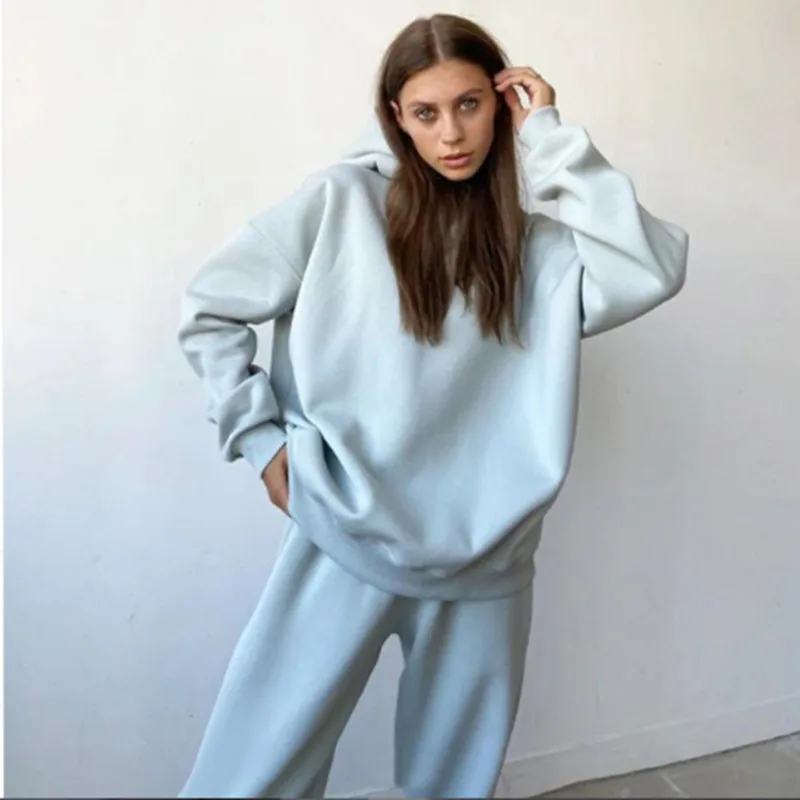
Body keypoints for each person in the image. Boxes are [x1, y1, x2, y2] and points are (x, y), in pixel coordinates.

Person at [176, 12, 688, 799]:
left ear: (502, 104)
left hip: (487, 560)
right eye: (426, 112)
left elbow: (651, 268)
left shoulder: (539, 247)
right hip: (342, 529)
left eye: (470, 105)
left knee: (455, 785)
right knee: (250, 777)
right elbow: (209, 308)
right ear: (396, 118)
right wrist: (261, 443)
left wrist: (549, 136)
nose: (451, 134)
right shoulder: (339, 202)